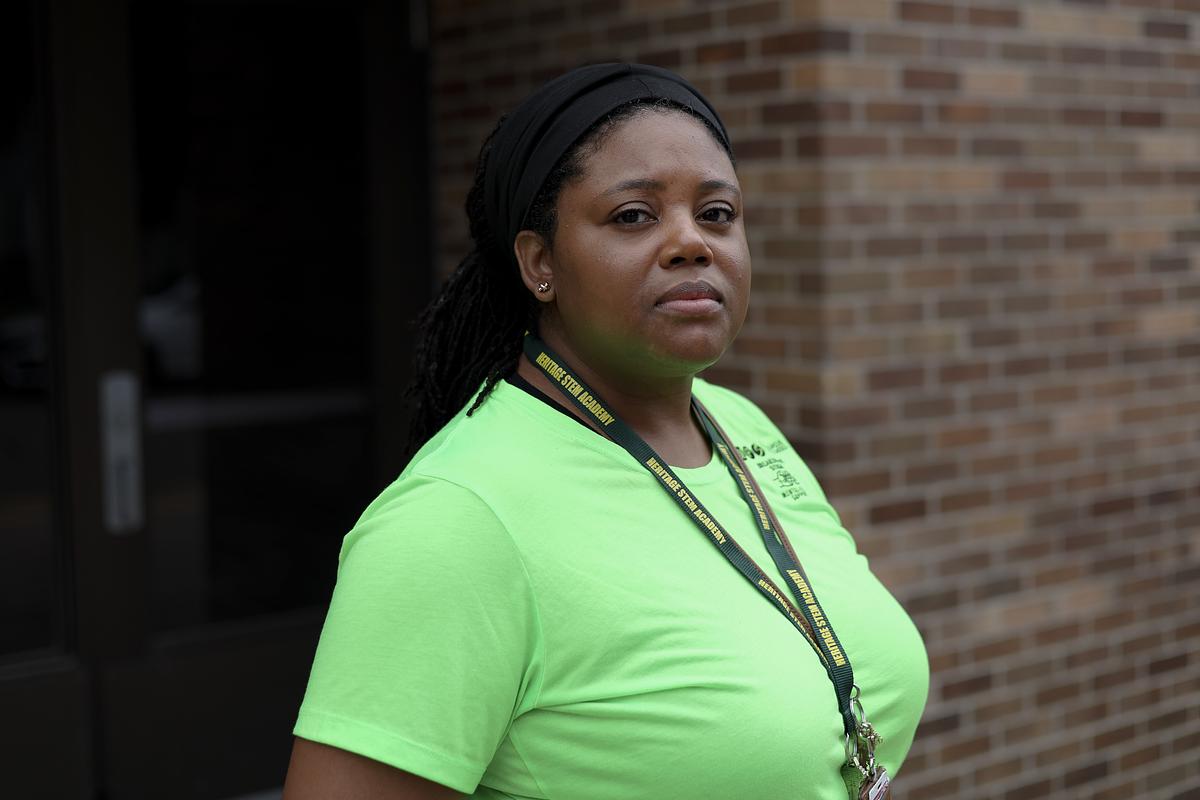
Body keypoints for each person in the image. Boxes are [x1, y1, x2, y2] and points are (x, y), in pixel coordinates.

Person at [283, 63, 929, 800]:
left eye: (717, 213)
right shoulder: (458, 518)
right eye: (633, 216)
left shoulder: (739, 424)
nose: (692, 242)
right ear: (540, 263)